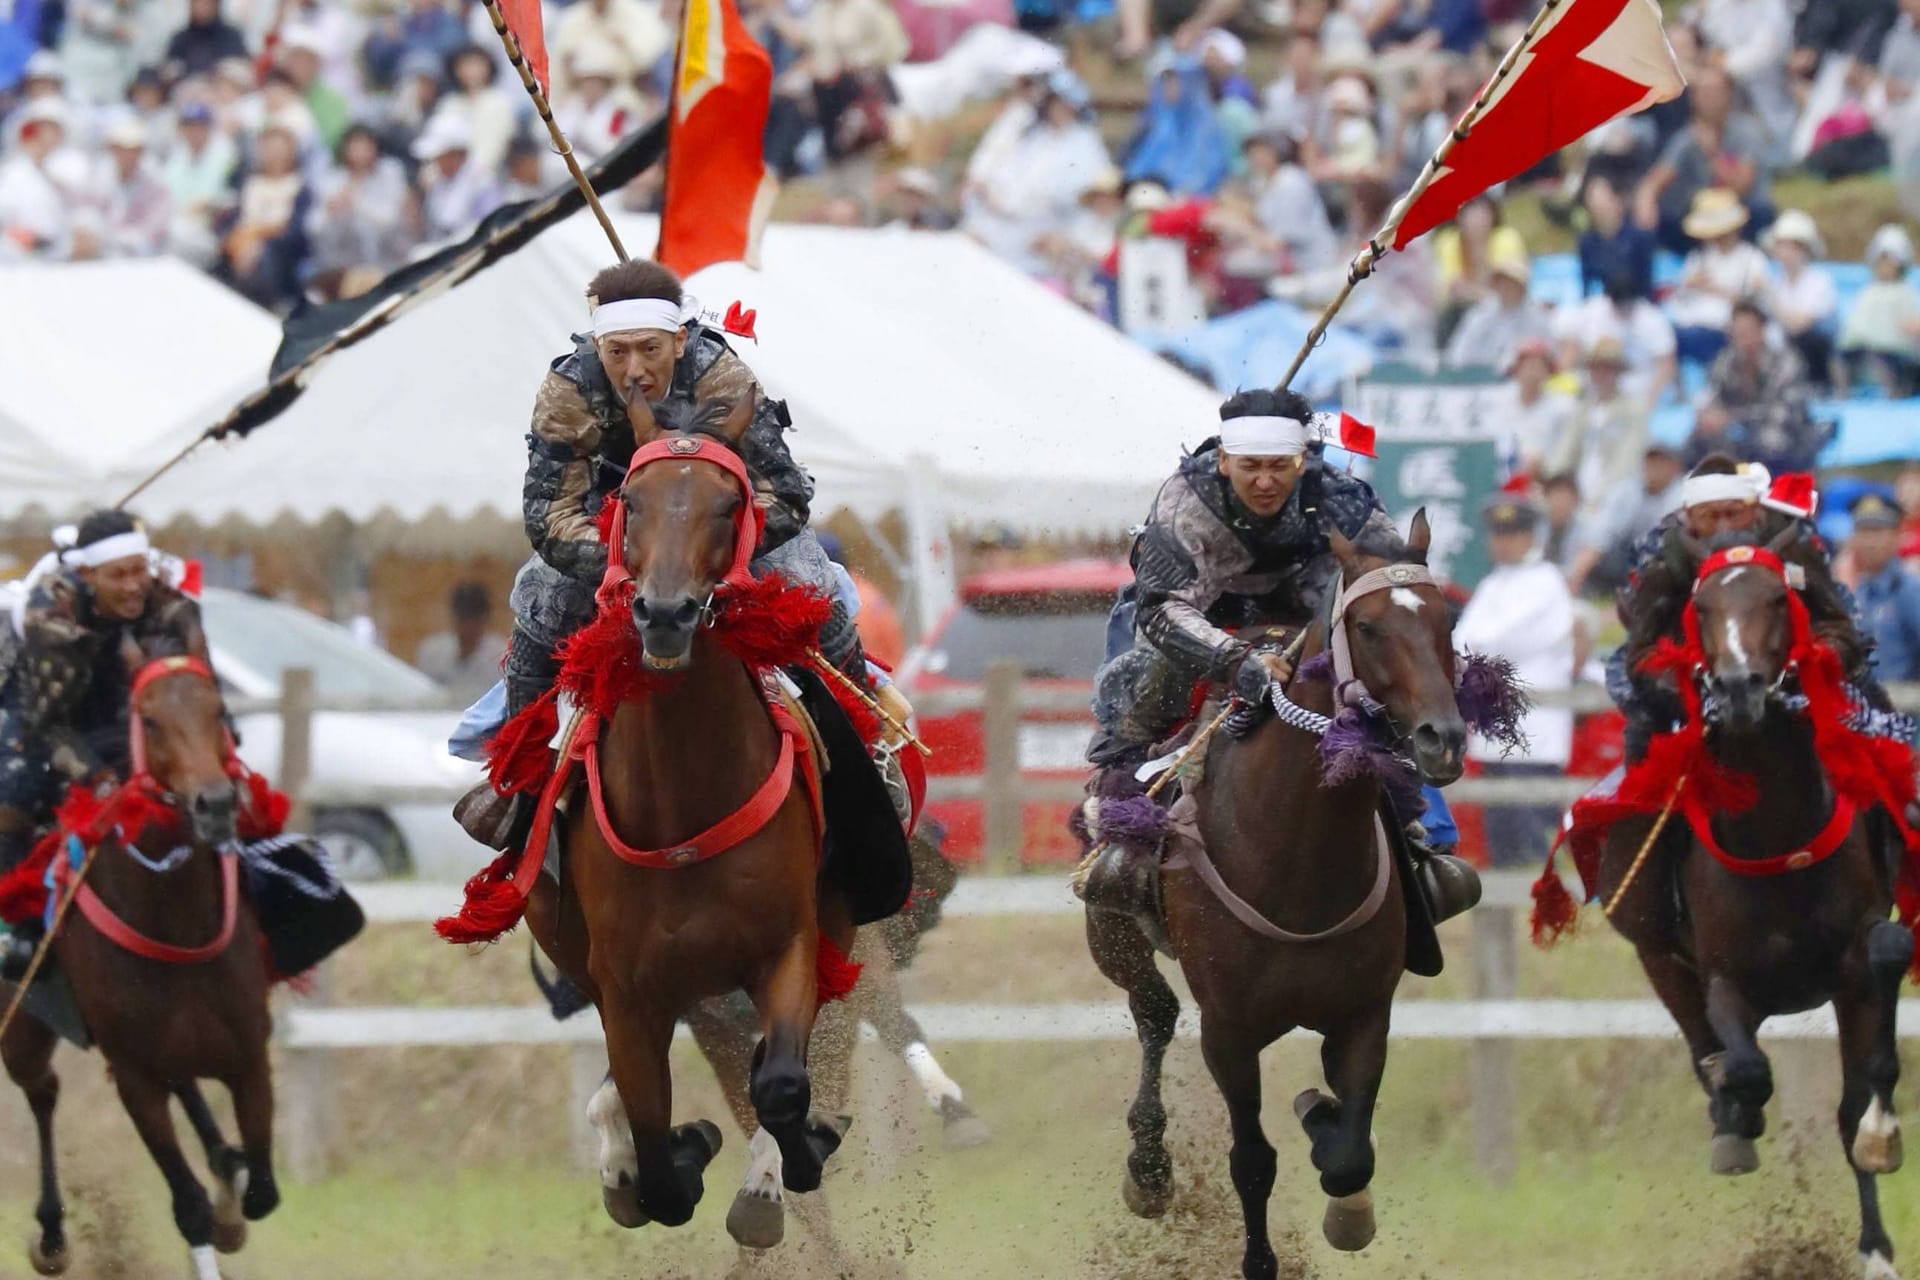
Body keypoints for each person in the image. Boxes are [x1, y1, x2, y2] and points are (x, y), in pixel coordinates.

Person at [460, 258, 893, 848]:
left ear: (679, 340)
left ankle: (866, 750)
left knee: (809, 580)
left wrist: (711, 549)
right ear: (598, 345)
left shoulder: (722, 375)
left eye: (649, 350)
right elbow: (549, 515)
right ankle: (523, 777)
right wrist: (631, 557)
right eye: (617, 353)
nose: (633, 369)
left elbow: (784, 494)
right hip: (612, 535)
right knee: (539, 596)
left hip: (721, 531)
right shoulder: (567, 390)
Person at [1079, 388, 1479, 928]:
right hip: (1196, 613)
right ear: (1224, 461)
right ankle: (1124, 827)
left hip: (1307, 607)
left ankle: (1418, 838)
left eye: (1278, 467)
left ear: (1300, 461)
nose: (1264, 482)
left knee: (1375, 676)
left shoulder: (1342, 497)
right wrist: (1236, 660)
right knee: (1143, 684)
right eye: (1250, 467)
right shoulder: (1185, 501)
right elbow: (1164, 607)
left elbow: (1389, 584)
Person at [0, 512, 210, 978]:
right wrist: (98, 778)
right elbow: (49, 724)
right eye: (119, 575)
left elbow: (200, 690)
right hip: (51, 713)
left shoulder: (173, 605)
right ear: (88, 575)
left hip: (141, 708)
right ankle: (18, 926)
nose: (135, 585)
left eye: (140, 570)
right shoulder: (49, 619)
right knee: (16, 782)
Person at [1608, 456, 1877, 762]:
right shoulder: (1666, 563)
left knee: (1869, 706)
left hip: (1799, 684)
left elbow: (1838, 623)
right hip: (1695, 696)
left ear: (1755, 511)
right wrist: (1688, 683)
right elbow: (1642, 654)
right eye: (1710, 516)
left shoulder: (1792, 545)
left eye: (1733, 514)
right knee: (1642, 735)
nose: (1723, 527)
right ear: (1689, 518)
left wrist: (1814, 663)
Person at [1455, 491, 1574, 868]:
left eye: (1512, 533)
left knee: (1532, 839)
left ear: (1529, 536)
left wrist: (1479, 643)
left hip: (1535, 732)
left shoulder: (1547, 582)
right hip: (1493, 730)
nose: (1502, 542)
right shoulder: (1493, 584)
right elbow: (1464, 641)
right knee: (1501, 841)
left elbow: (1496, 641)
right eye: (1497, 533)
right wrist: (1478, 643)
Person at [1633, 65, 1776, 254]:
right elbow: (1657, 178)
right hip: (1703, 215)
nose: (1709, 98)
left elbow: (1743, 186)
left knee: (1759, 214)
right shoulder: (1687, 137)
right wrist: (1646, 200)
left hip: (1743, 213)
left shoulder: (1746, 132)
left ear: (1729, 94)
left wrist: (1712, 153)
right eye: (1703, 92)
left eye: (1715, 91)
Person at [1689, 297, 1821, 472]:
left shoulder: (1786, 362)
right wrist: (1707, 414)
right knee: (1697, 440)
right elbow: (1712, 396)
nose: (1742, 337)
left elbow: (1783, 412)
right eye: (1737, 332)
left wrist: (1731, 418)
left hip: (1783, 434)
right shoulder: (1724, 361)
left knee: (1769, 441)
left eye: (1747, 330)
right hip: (1738, 434)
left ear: (1761, 330)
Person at [1547, 337, 1651, 515]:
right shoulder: (1582, 409)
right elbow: (1566, 451)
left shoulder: (1633, 411)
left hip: (1615, 498)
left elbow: (1627, 460)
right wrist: (1553, 484)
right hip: (1578, 493)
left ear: (1618, 372)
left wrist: (1602, 497)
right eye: (1596, 368)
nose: (1601, 374)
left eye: (1608, 368)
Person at [1567, 440, 1686, 596]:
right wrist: (1576, 575)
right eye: (1651, 461)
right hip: (1623, 557)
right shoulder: (1627, 489)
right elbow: (1602, 533)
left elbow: (1667, 542)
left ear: (1675, 467)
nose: (1654, 467)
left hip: (1660, 560)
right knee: (1590, 545)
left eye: (1662, 462)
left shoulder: (1681, 495)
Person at [1667, 189, 1771, 365]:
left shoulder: (1752, 259)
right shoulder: (1698, 257)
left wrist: (1715, 290)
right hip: (1690, 322)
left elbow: (1755, 300)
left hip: (1725, 329)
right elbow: (1679, 297)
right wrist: (1689, 285)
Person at [1554, 268, 1678, 410]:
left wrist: (1650, 401)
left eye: (1626, 302)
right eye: (1617, 302)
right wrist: (1561, 377)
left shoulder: (1652, 320)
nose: (1622, 307)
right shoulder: (1591, 311)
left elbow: (1666, 365)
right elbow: (1572, 348)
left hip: (1636, 387)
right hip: (1594, 384)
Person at [1837, 223, 1920, 397]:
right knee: (1841, 357)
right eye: (1881, 260)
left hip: (1892, 352)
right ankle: (1843, 390)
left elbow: (1913, 324)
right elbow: (1855, 325)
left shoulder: (1904, 293)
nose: (1884, 266)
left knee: (1880, 359)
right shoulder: (1868, 292)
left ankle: (1893, 389)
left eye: (1889, 261)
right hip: (1863, 349)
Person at [1762, 209, 1838, 387]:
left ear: (1805, 249)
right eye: (1780, 245)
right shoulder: (1776, 283)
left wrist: (1771, 302)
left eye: (1791, 246)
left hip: (1813, 359)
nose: (1784, 252)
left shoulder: (1820, 282)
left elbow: (1800, 325)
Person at [1443, 246, 1551, 371]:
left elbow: (1548, 358)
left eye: (1512, 282)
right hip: (1479, 383)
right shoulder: (1480, 315)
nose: (1506, 287)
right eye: (1502, 281)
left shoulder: (1537, 318)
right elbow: (1458, 354)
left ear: (1522, 286)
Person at [1851, 494, 1920, 682]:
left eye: (1878, 531)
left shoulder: (1910, 590)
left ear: (1897, 536)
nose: (1870, 542)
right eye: (1863, 532)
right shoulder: (1859, 594)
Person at [88, 112, 170, 257]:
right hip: (105, 248)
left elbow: (157, 223)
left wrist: (132, 239)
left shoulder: (155, 181)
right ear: (113, 149)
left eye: (133, 150)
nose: (127, 155)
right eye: (121, 149)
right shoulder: (99, 177)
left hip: (144, 251)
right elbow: (92, 215)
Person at [413, 112, 499, 243]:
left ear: (458, 154)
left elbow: (490, 231)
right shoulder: (438, 180)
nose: (436, 162)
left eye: (440, 157)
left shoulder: (482, 181)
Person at [415, 582, 507, 702]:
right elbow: (422, 697)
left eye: (474, 621)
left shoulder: (501, 655)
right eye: (463, 620)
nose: (468, 627)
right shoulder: (432, 652)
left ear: (485, 620)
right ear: (454, 618)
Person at [1494, 339, 1574, 476]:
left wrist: (1540, 463)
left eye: (1538, 366)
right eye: (1528, 365)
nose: (1532, 371)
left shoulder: (1564, 406)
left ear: (1548, 371)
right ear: (1516, 370)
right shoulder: (1497, 402)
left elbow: (1568, 450)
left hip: (1548, 478)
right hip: (1504, 477)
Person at [163, 0, 249, 83]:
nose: (200, 7)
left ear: (216, 5)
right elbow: (169, 71)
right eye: (196, 2)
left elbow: (240, 71)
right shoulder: (180, 38)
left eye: (206, 2)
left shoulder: (231, 37)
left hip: (221, 90)